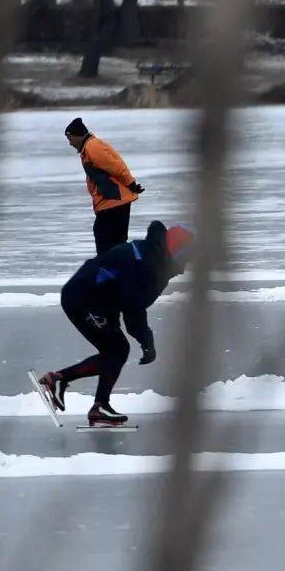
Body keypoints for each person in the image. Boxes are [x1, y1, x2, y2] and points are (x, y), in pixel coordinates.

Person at [37, 221, 194, 426]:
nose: (184, 269)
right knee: (117, 350)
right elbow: (133, 310)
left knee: (116, 350)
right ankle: (62, 381)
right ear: (177, 253)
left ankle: (92, 402)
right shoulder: (152, 267)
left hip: (97, 297)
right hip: (84, 298)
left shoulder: (148, 251)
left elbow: (127, 298)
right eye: (186, 260)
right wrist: (147, 342)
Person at [64, 117, 145, 255]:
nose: (70, 143)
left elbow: (117, 167)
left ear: (78, 135)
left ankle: (116, 273)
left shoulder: (92, 147)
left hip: (114, 202)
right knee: (110, 243)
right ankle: (116, 273)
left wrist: (131, 184)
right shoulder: (88, 148)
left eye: (70, 139)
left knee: (109, 244)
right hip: (110, 202)